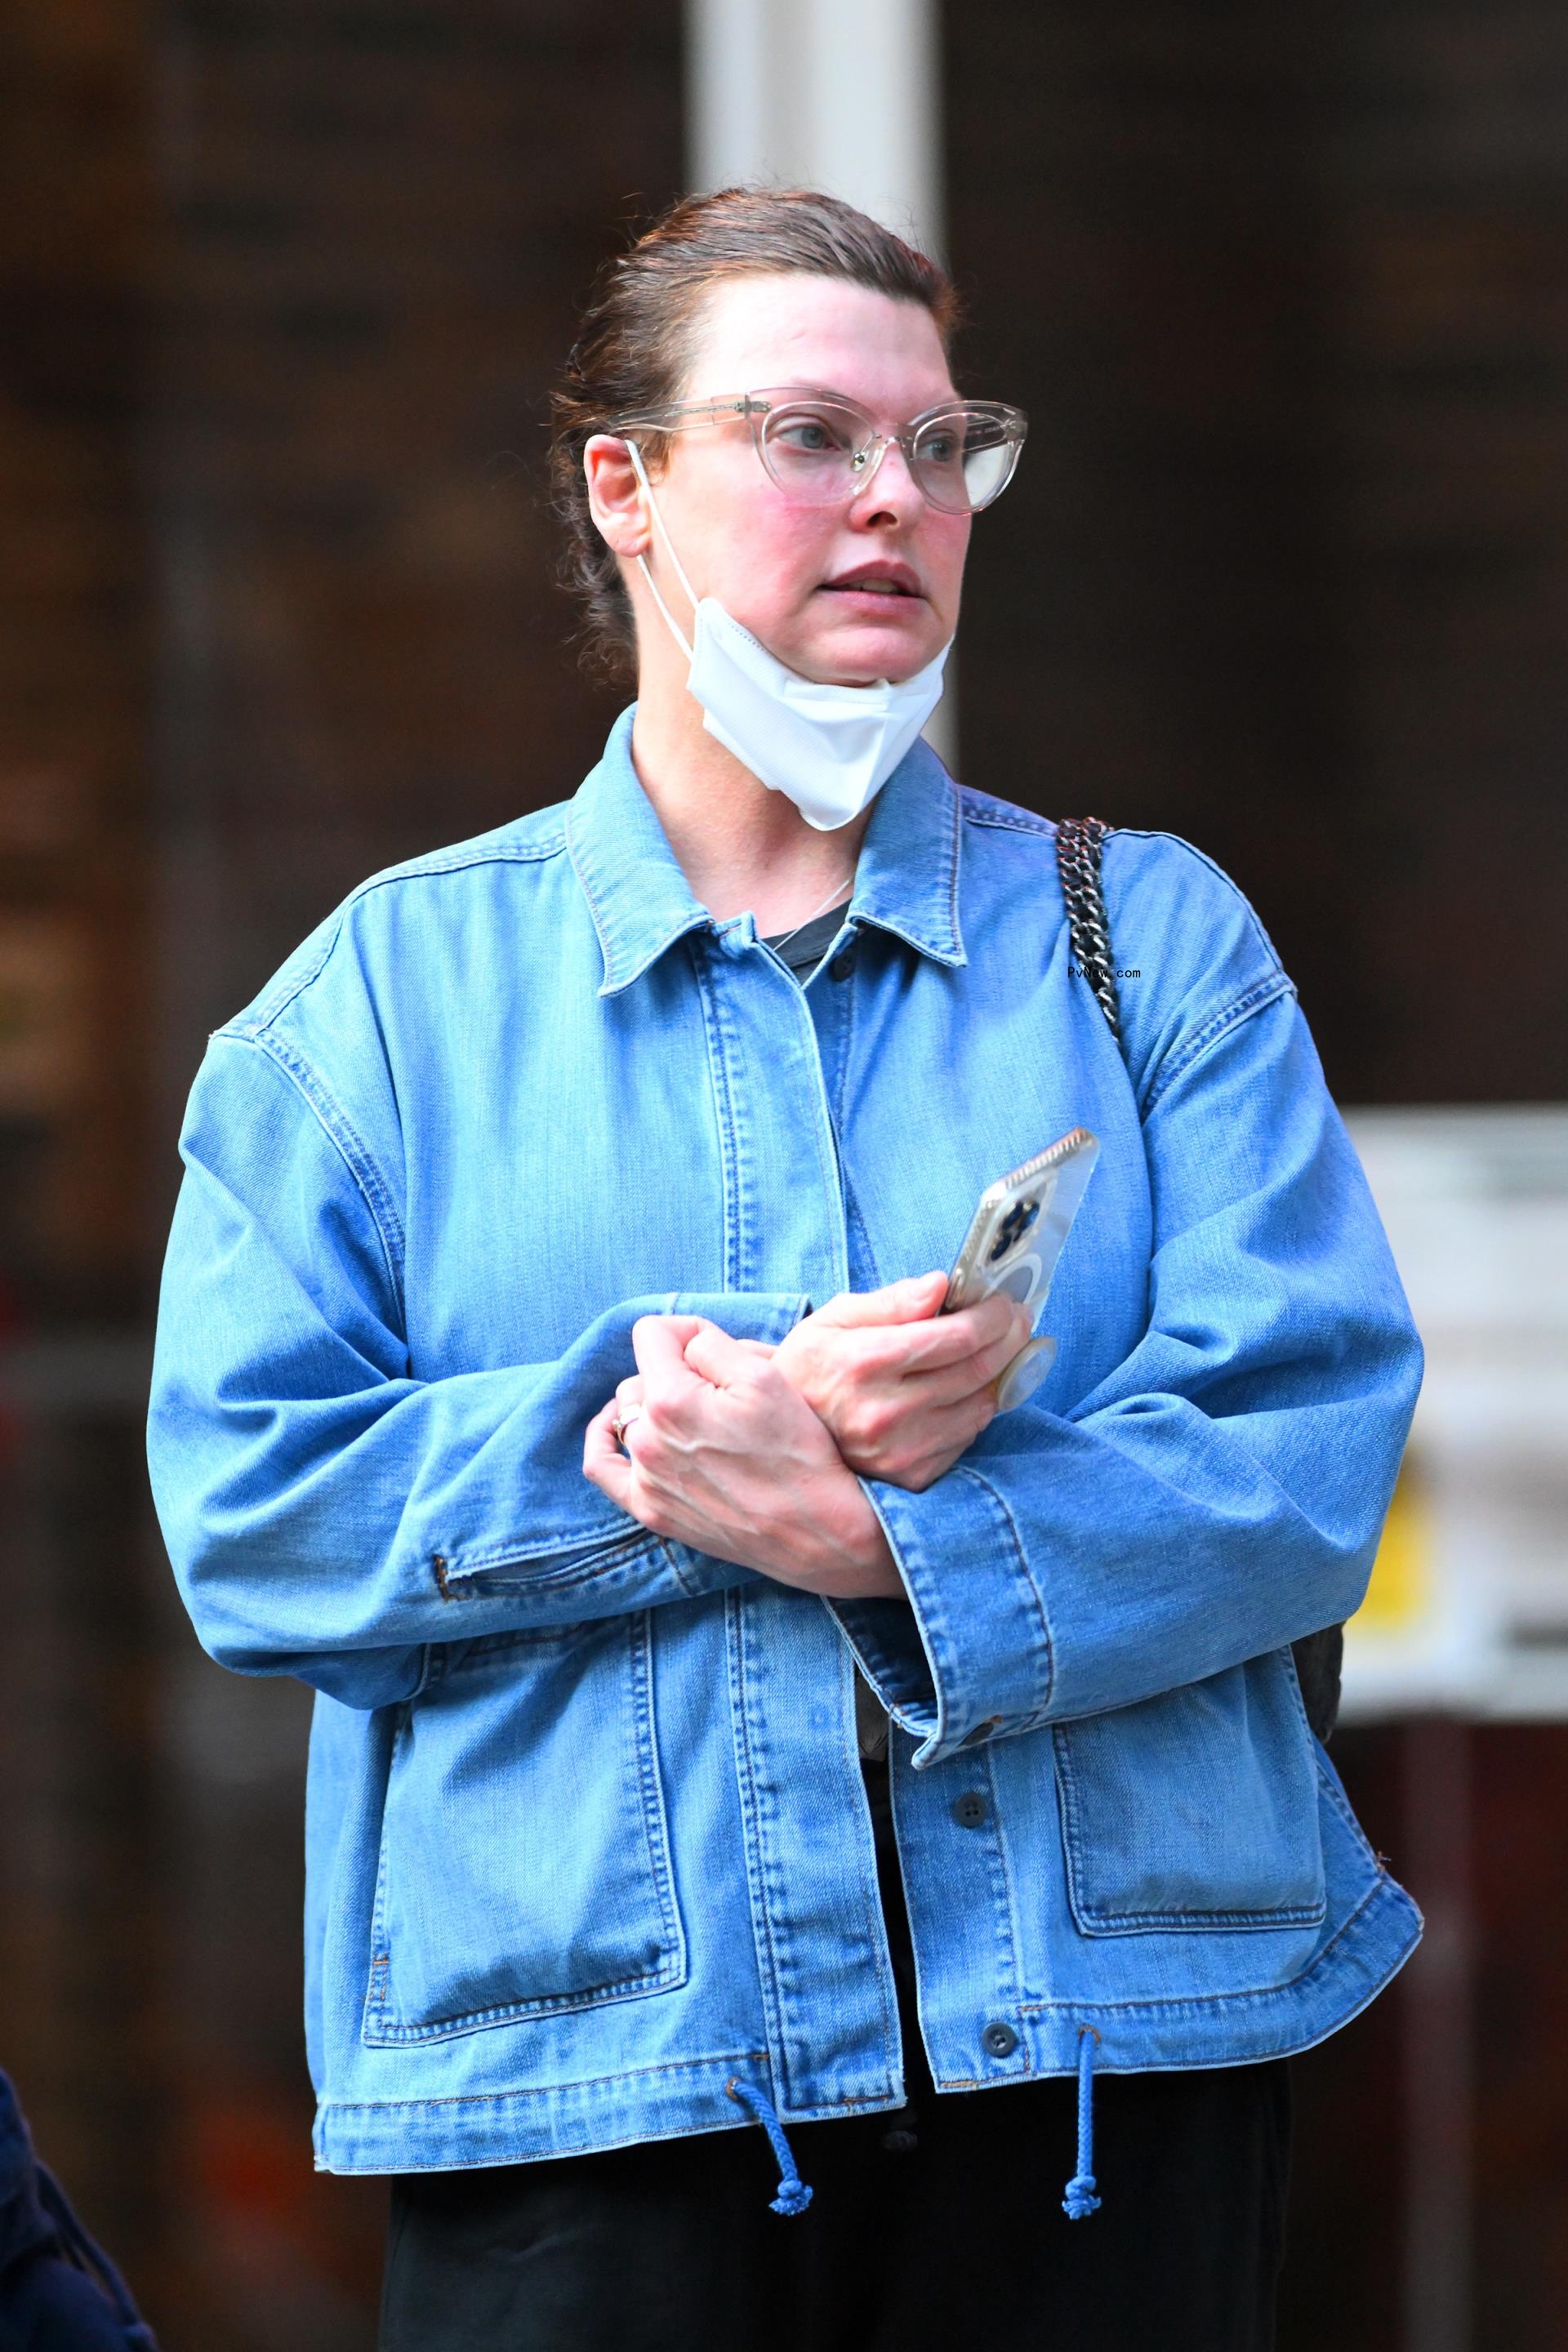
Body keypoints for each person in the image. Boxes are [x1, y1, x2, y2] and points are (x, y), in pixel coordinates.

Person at [147, 188, 1423, 2351]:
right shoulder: (377, 1005)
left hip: (1104, 2070)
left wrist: (880, 1540)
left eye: (943, 447)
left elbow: (1302, 1451)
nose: (896, 502)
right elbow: (257, 1519)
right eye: (812, 435)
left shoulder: (1149, 938)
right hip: (588, 2088)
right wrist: (670, 1448)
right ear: (623, 488)